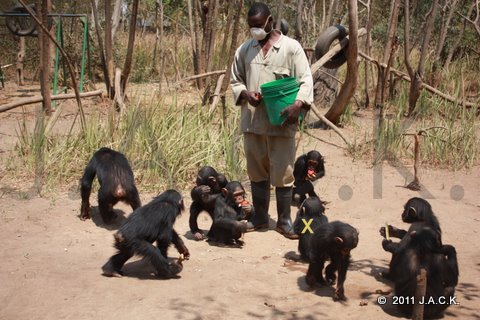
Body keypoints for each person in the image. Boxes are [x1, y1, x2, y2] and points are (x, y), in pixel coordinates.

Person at [230, 2, 314, 239]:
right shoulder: (244, 50)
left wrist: (298, 104)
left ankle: (284, 220)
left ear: (270, 21)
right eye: (251, 26)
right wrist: (246, 94)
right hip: (253, 122)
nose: (255, 30)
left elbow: (306, 80)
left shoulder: (291, 48)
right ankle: (259, 217)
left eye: (258, 25)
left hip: (282, 121)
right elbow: (236, 80)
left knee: (284, 170)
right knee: (257, 170)